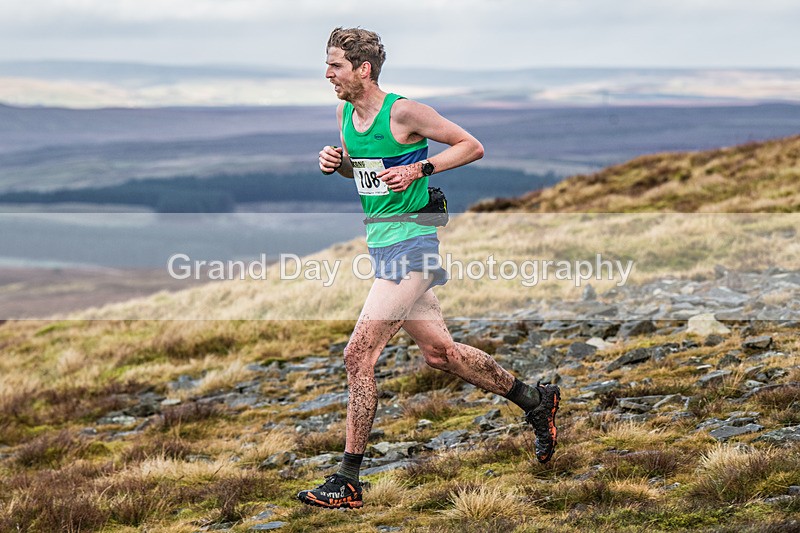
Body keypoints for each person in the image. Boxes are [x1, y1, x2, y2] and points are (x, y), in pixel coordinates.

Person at [297, 27, 560, 510]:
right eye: (327, 64)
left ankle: (348, 479)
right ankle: (534, 401)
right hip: (382, 245)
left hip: (413, 246)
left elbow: (471, 145)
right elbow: (369, 174)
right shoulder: (345, 115)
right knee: (442, 354)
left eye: (334, 65)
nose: (327, 74)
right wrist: (337, 164)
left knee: (358, 357)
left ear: (363, 70)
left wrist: (422, 169)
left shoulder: (404, 111)